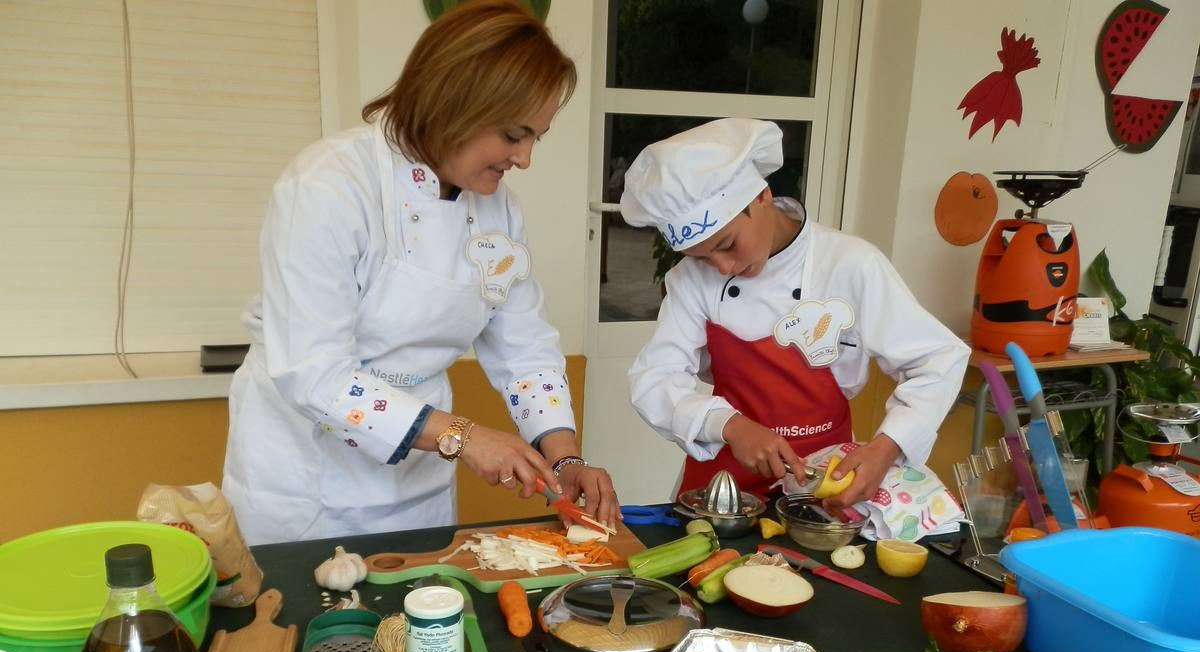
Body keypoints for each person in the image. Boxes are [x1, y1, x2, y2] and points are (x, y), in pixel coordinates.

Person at [223, 0, 617, 545]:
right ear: (453, 103)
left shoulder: (498, 210)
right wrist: (463, 434)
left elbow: (523, 348)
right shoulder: (330, 186)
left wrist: (565, 455)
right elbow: (315, 373)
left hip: (418, 477)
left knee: (419, 617)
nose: (524, 159)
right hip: (306, 483)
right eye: (513, 134)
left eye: (536, 138)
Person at [621, 118, 969, 510]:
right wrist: (730, 425)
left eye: (727, 244)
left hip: (824, 485)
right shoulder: (690, 280)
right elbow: (655, 379)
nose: (721, 267)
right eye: (701, 257)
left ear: (762, 196)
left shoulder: (850, 264)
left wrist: (888, 447)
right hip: (724, 491)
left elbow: (938, 358)